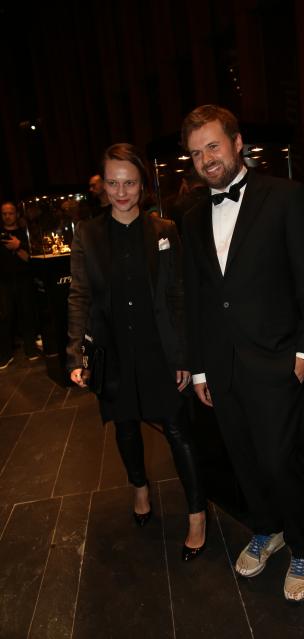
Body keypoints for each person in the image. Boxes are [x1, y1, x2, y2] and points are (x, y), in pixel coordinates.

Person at [181, 105, 304, 601]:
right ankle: (267, 528)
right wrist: (200, 368)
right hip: (221, 366)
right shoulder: (192, 217)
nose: (206, 159)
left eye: (213, 146)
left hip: (278, 360)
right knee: (243, 458)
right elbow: (200, 299)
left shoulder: (285, 197)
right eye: (196, 153)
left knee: (284, 461)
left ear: (237, 142)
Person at [67, 143, 206, 560]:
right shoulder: (87, 234)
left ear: (142, 185)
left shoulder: (165, 230)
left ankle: (196, 513)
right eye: (113, 183)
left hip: (159, 349)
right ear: (103, 186)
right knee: (125, 425)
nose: (121, 192)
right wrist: (76, 355)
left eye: (129, 183)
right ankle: (140, 488)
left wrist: (182, 356)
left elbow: (178, 295)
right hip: (113, 350)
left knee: (179, 430)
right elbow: (79, 295)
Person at [0, 201, 40, 369]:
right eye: (4, 213)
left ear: (16, 214)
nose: (7, 216)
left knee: (27, 313)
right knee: (4, 316)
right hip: (3, 281)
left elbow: (29, 258)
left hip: (24, 279)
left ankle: (31, 349)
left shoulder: (24, 233)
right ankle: (5, 354)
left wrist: (17, 247)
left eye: (10, 213)